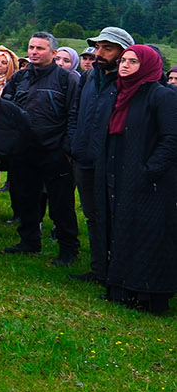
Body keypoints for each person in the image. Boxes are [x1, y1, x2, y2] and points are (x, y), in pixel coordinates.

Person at [97, 44, 177, 312]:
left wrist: (150, 169)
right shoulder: (120, 93)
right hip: (121, 171)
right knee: (124, 230)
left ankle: (148, 294)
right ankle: (123, 289)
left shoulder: (161, 96)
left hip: (152, 180)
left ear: (148, 66)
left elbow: (171, 138)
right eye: (123, 60)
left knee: (149, 235)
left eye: (133, 62)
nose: (124, 65)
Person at [1, 32, 80, 264]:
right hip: (23, 151)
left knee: (61, 203)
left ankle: (68, 249)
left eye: (40, 48)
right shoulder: (19, 78)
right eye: (31, 47)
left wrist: (66, 148)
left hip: (54, 151)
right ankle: (29, 241)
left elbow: (74, 114)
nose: (34, 52)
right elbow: (7, 109)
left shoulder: (67, 80)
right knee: (25, 198)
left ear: (54, 53)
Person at [67, 26, 131, 284]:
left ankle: (118, 270)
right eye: (97, 47)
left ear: (123, 52)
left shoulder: (129, 82)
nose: (99, 53)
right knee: (92, 214)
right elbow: (75, 111)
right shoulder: (89, 77)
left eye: (108, 48)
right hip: (84, 157)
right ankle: (98, 269)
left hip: (114, 161)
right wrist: (73, 142)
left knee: (116, 216)